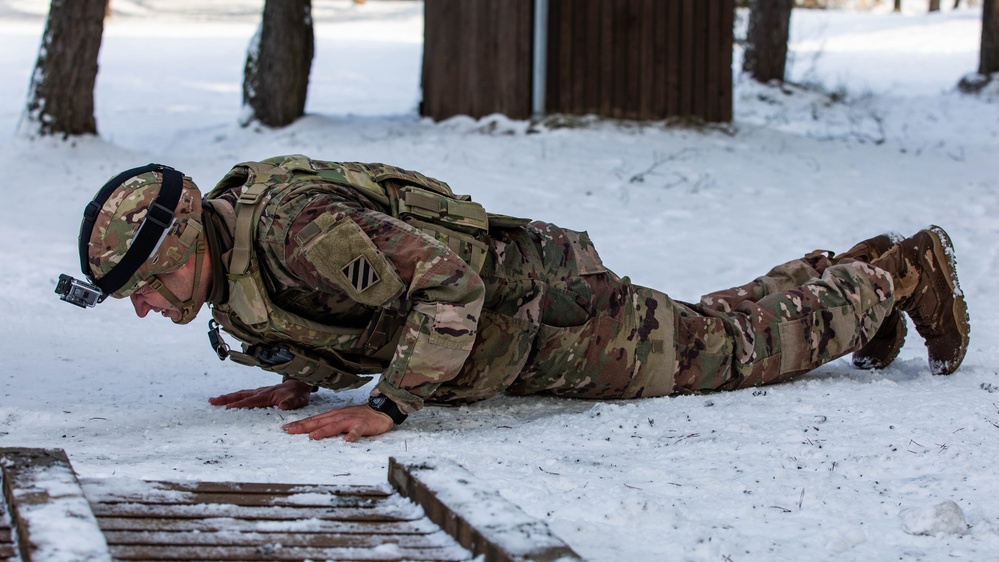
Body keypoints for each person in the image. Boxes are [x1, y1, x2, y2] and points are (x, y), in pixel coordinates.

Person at [59, 155, 971, 441]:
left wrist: (390, 402)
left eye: (147, 285)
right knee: (706, 326)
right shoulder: (231, 261)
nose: (147, 307)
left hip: (543, 311)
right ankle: (852, 271)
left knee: (723, 355)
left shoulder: (293, 225)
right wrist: (303, 379)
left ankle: (896, 277)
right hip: (517, 323)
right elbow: (341, 311)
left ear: (184, 245)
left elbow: (448, 282)